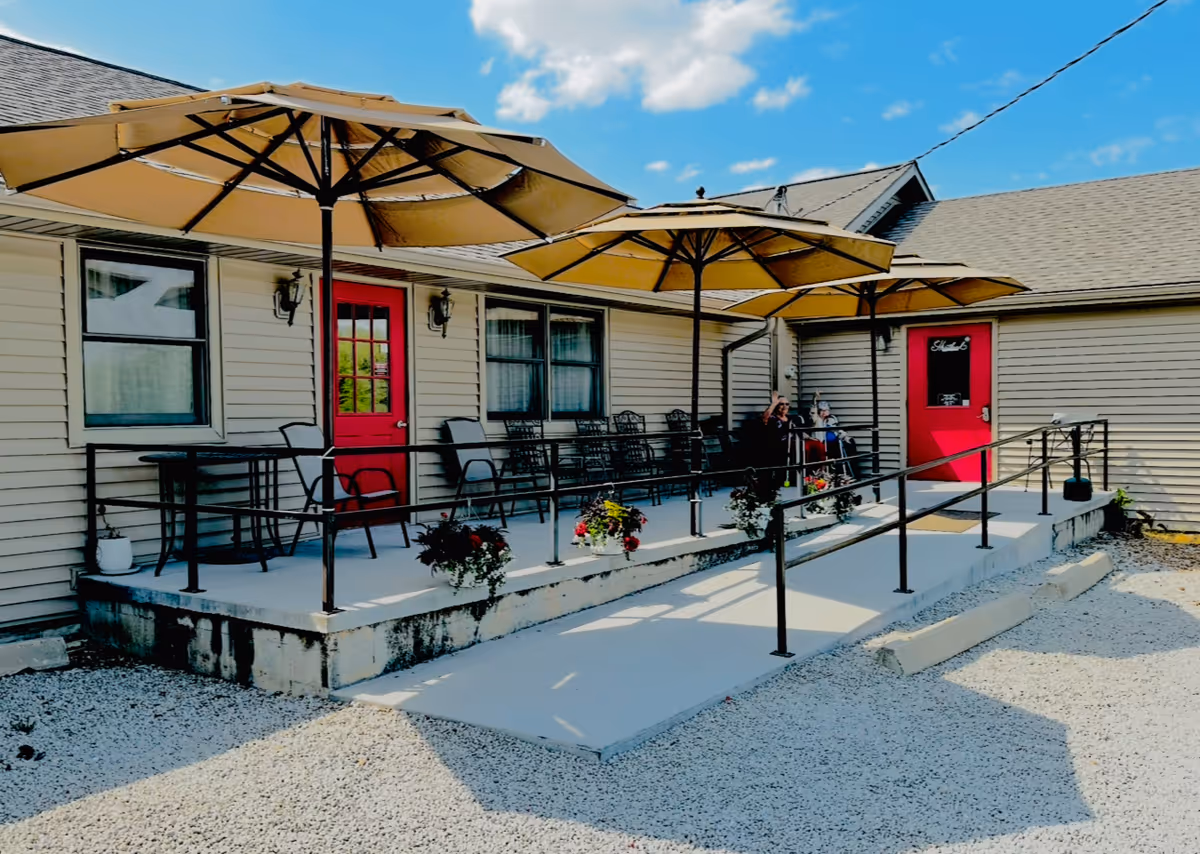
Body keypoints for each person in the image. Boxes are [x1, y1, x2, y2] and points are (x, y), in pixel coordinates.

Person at [761, 391, 793, 487]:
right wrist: (774, 403)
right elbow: (765, 418)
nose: (784, 406)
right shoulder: (773, 418)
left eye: (787, 404)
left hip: (792, 445)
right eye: (781, 404)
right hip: (776, 446)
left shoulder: (791, 418)